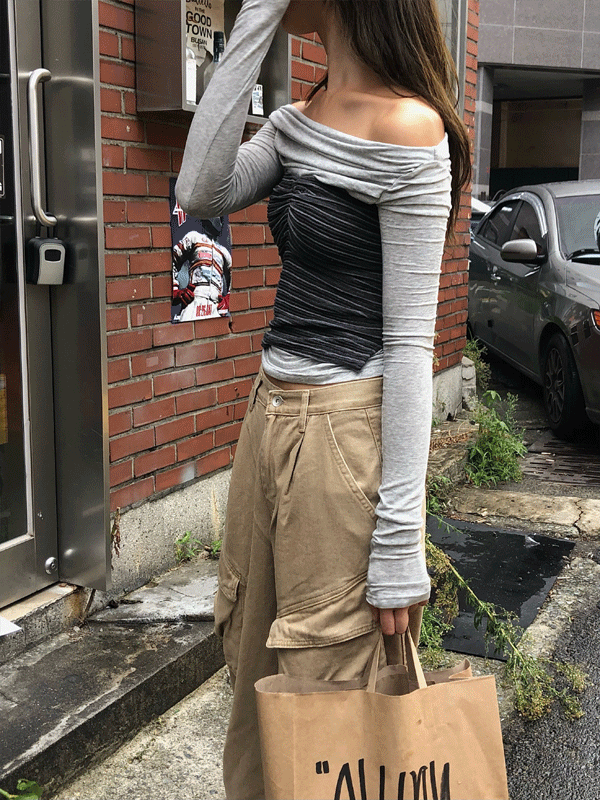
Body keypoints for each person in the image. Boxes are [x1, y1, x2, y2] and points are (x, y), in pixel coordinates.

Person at [176, 1, 471, 797]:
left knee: (329, 687)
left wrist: (400, 543)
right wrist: (255, 20)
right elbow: (199, 187)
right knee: (252, 662)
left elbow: (409, 345)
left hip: (343, 435)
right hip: (268, 415)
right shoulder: (299, 120)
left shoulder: (409, 128)